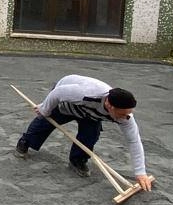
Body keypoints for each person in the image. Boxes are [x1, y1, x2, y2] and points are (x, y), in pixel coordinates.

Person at [15, 75, 154, 192]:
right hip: (66, 103)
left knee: (90, 135)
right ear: (110, 106)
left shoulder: (126, 116)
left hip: (91, 115)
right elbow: (58, 93)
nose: (126, 117)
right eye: (123, 114)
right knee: (45, 121)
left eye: (129, 113)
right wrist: (45, 109)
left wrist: (140, 172)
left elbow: (134, 141)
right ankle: (25, 142)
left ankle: (77, 161)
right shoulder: (86, 93)